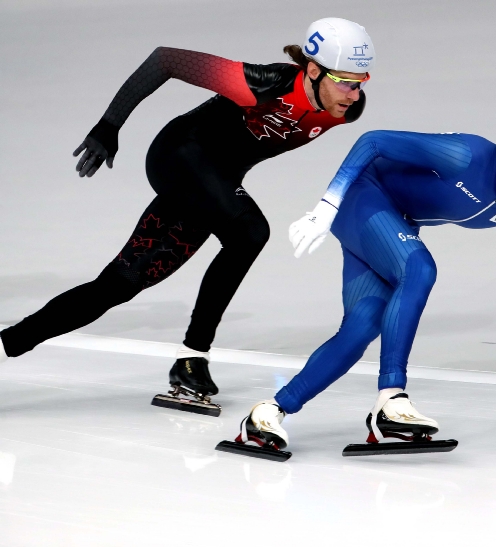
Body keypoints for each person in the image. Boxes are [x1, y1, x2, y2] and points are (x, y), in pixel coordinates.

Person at [0, 18, 376, 416]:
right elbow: (165, 60)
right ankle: (194, 354)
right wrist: (109, 126)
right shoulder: (264, 83)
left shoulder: (346, 110)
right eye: (346, 82)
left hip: (213, 184)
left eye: (362, 82)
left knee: (119, 284)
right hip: (180, 154)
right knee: (250, 231)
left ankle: (8, 342)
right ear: (313, 71)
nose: (354, 95)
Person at [220, 106, 496, 458]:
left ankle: (267, 412)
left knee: (361, 328)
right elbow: (373, 141)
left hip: (395, 224)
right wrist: (327, 206)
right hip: (363, 196)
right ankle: (391, 397)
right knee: (419, 268)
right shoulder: (465, 155)